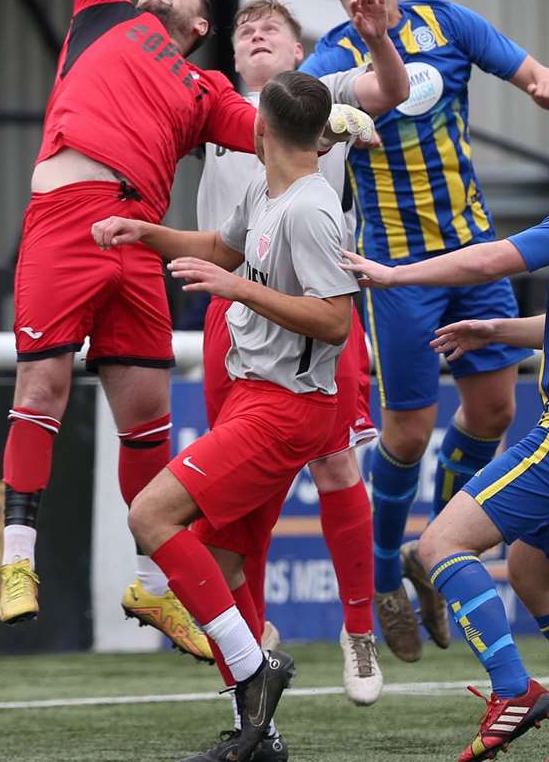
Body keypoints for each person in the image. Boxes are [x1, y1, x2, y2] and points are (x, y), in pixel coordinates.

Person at [0, 0, 249, 657]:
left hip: (138, 240)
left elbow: (276, 131)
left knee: (148, 413)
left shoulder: (207, 90)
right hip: (66, 220)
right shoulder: (105, 12)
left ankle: (151, 587)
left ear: (201, 25)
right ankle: (17, 552)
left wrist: (345, 108)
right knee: (46, 384)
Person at [342, 73, 549, 762]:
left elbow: (493, 256)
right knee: (533, 572)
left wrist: (397, 274)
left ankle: (513, 689)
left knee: (438, 549)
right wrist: (496, 329)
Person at [300, 0, 549, 661]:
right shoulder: (331, 60)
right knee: (409, 432)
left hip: (476, 252)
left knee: (492, 410)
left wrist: (546, 83)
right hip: (400, 271)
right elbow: (343, 114)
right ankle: (389, 573)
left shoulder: (447, 24)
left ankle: (433, 550)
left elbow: (527, 68)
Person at [93, 70, 358, 762]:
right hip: (256, 397)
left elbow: (335, 321)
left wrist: (237, 289)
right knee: (220, 558)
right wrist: (143, 231)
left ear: (261, 129)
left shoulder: (310, 209)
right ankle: (260, 735)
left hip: (284, 409)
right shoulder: (266, 192)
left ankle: (253, 672)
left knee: (152, 518)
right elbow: (221, 248)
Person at [197, 0, 409, 707]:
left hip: (316, 303)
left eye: (271, 30)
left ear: (299, 54)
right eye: (243, 32)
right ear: (230, 58)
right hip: (232, 309)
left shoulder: (329, 92)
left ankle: (359, 635)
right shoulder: (211, 101)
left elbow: (391, 90)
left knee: (338, 459)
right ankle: (250, 648)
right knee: (235, 498)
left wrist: (374, 49)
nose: (255, 34)